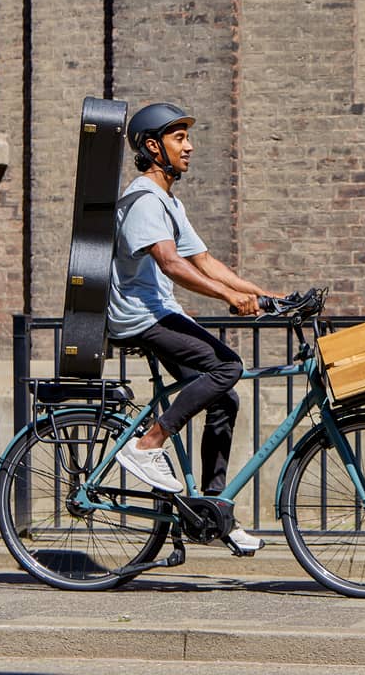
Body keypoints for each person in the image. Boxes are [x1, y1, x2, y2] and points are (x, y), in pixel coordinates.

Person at [107, 101, 277, 554]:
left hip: (161, 310)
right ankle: (148, 444)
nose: (190, 146)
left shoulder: (168, 200)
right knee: (228, 367)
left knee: (225, 396)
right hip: (141, 316)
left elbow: (204, 261)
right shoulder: (143, 198)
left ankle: (213, 510)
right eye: (179, 138)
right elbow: (170, 263)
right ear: (152, 145)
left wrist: (266, 297)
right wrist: (228, 298)